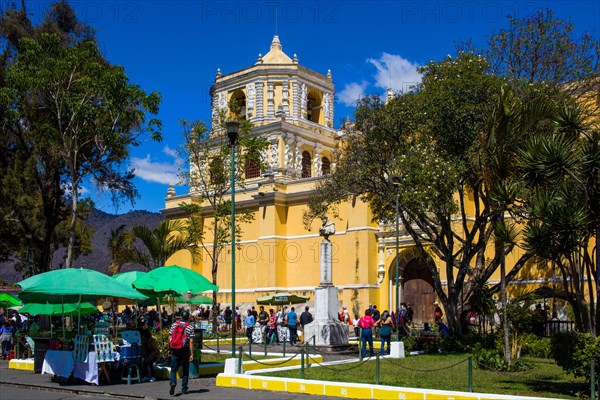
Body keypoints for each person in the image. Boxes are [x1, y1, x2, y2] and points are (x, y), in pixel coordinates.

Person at [168, 311, 194, 395]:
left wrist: (169, 348)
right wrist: (191, 354)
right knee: (185, 369)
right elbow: (191, 342)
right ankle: (184, 388)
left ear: (181, 317)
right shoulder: (190, 327)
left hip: (174, 349)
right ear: (188, 318)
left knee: (173, 369)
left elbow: (169, 338)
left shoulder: (174, 325)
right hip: (185, 350)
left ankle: (173, 383)